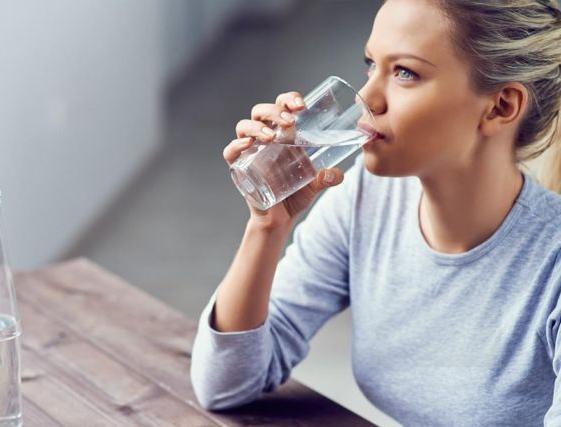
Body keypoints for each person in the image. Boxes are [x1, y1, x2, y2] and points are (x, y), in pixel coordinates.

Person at [190, 0, 561, 425]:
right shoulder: (367, 201)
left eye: (405, 72)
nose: (366, 98)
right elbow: (224, 386)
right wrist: (267, 225)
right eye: (371, 65)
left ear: (500, 107)